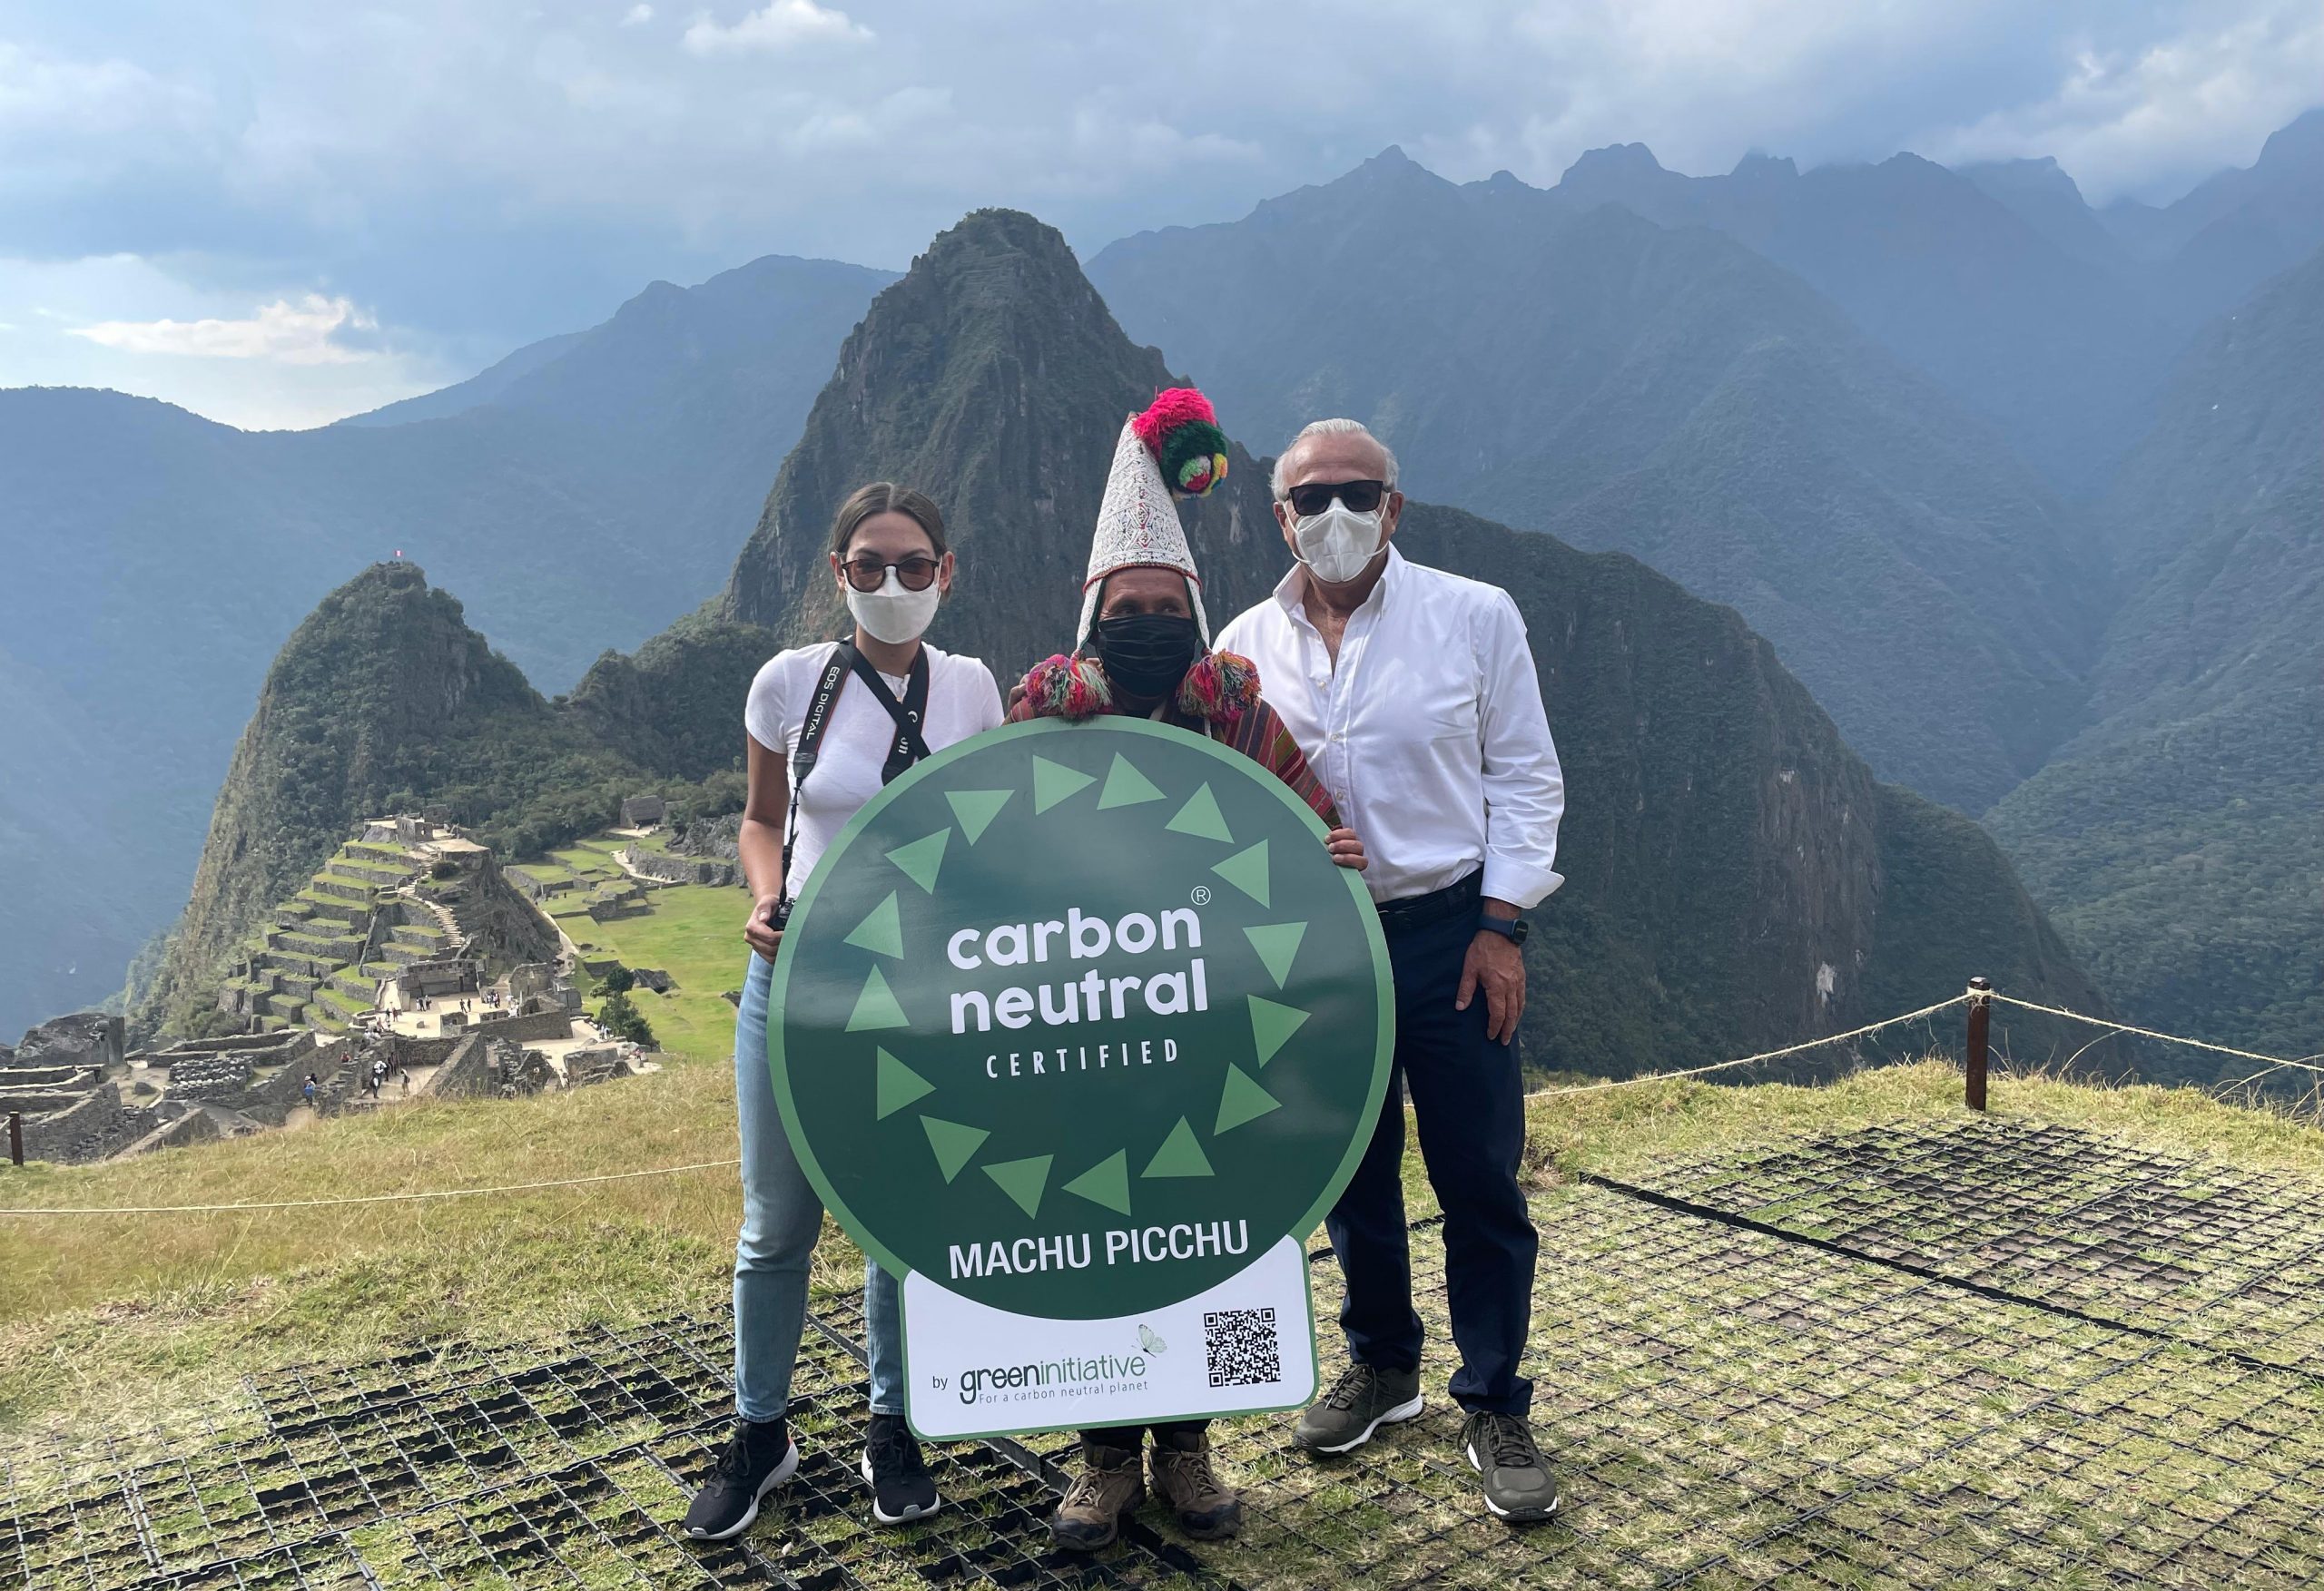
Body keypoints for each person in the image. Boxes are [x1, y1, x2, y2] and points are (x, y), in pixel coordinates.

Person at [1009, 388, 1368, 1551]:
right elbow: (991, 853)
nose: (1150, 624)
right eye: (1131, 609)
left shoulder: (1237, 721)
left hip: (1209, 1025)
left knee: (1200, 1226)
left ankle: (1188, 1449)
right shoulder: (1050, 724)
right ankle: (1103, 1460)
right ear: (1095, 618)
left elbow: (1312, 819)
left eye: (1168, 609)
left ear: (1195, 617)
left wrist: (1328, 852)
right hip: (1085, 1020)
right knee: (1102, 1225)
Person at [1216, 417, 1566, 1524]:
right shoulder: (1240, 647)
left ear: (1393, 506)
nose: (1335, 515)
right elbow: (1220, 802)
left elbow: (1525, 775)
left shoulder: (1473, 616)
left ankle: (1494, 1396)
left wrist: (1501, 925)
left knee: (1477, 1172)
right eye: (1311, 498)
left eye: (1356, 493)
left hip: (1448, 932)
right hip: (1312, 944)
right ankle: (1382, 1362)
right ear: (1280, 517)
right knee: (1348, 1167)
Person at [683, 483, 1005, 1543]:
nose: (892, 582)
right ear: (838, 572)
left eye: (913, 564)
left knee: (894, 1215)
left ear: (945, 572)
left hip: (916, 990)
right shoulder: (789, 682)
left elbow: (990, 833)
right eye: (870, 564)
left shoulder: (971, 689)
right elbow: (760, 817)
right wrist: (764, 893)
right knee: (776, 1222)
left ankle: (892, 1423)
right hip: (800, 980)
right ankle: (758, 1430)